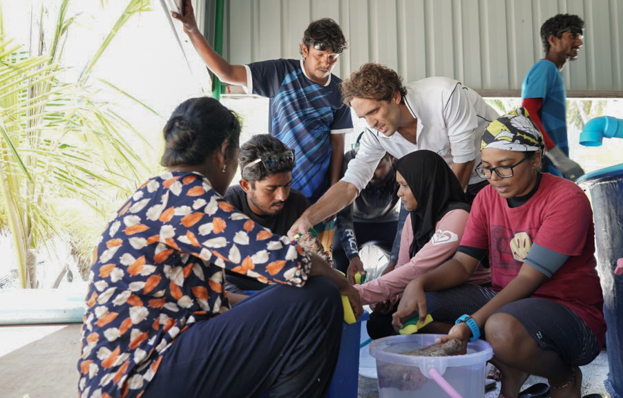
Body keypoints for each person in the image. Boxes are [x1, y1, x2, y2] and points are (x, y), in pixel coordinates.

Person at [77, 97, 361, 398]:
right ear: (225, 153)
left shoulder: (154, 192)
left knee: (295, 298)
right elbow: (288, 260)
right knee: (317, 297)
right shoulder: (188, 194)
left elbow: (204, 300)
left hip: (120, 376)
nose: (281, 195)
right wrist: (342, 283)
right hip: (140, 377)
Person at [392, 108, 605, 398]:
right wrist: (418, 283)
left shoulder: (566, 198)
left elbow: (529, 278)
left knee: (500, 328)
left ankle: (562, 377)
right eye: (487, 168)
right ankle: (510, 365)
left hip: (571, 316)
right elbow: (463, 264)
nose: (494, 177)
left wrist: (469, 325)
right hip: (509, 303)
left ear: (535, 159)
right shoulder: (486, 198)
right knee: (421, 306)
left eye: (504, 166)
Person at [288, 62, 499, 238]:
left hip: (493, 177)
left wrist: (441, 223)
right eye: (364, 117)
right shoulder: (375, 133)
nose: (371, 123)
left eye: (374, 111)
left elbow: (464, 159)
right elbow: (350, 185)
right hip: (444, 186)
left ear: (395, 97)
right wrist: (308, 218)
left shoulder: (444, 95)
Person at [172, 1, 353, 202]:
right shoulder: (280, 73)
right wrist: (192, 31)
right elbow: (226, 72)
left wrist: (333, 191)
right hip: (278, 185)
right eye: (320, 55)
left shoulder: (340, 91)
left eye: (332, 58)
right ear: (304, 49)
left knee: (312, 235)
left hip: (318, 191)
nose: (326, 63)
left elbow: (338, 145)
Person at [358, 150, 491, 339]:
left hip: (475, 293)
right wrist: (390, 298)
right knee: (379, 322)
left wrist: (360, 293)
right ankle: (439, 333)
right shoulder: (415, 219)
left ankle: (480, 335)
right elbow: (404, 265)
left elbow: (417, 268)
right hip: (428, 287)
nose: (399, 193)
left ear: (426, 185)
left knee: (422, 304)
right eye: (398, 185)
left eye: (405, 185)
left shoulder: (458, 216)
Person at [223, 134, 310, 293]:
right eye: (271, 189)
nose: (282, 196)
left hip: (282, 286)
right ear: (246, 185)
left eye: (287, 185)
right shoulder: (225, 205)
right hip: (235, 288)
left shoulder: (299, 204)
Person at [522, 13, 586, 181]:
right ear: (552, 40)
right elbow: (527, 112)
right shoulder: (545, 68)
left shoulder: (551, 72)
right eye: (572, 36)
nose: (579, 42)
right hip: (546, 164)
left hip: (550, 164)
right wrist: (559, 158)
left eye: (580, 37)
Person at [333, 138, 399, 280]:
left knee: (405, 261)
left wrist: (394, 261)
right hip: (354, 222)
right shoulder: (350, 160)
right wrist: (353, 255)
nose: (369, 172)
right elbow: (343, 216)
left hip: (389, 221)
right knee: (339, 264)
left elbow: (409, 217)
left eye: (377, 166)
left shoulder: (402, 161)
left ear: (391, 158)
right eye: (365, 166)